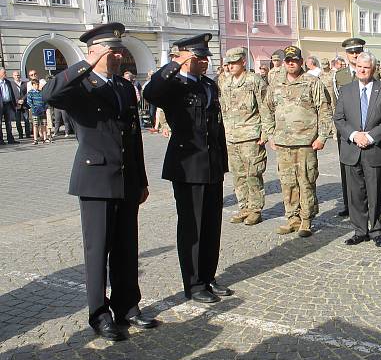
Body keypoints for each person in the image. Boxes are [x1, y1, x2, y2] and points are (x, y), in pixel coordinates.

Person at [42, 22, 155, 341]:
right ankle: (99, 314)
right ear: (94, 52)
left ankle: (128, 307)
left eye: (120, 50)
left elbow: (134, 138)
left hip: (126, 180)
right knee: (98, 251)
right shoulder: (81, 84)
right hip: (95, 179)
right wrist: (84, 63)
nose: (118, 55)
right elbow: (49, 94)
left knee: (126, 247)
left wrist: (141, 180)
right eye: (111, 50)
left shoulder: (123, 86)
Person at [144, 33, 232, 303]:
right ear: (184, 58)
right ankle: (193, 283)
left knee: (211, 225)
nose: (204, 62)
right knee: (192, 226)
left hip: (212, 164)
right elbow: (150, 92)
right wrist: (175, 64)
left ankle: (208, 275)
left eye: (205, 58)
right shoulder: (173, 85)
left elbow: (215, 127)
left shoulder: (208, 85)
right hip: (187, 165)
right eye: (198, 57)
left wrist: (222, 163)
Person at [264, 45, 333, 237]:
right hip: (283, 144)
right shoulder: (276, 85)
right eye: (288, 60)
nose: (291, 63)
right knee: (287, 183)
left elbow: (324, 110)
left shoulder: (312, 82)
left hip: (306, 143)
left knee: (306, 182)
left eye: (294, 60)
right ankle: (292, 218)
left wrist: (322, 136)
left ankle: (306, 219)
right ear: (284, 63)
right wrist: (270, 134)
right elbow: (267, 110)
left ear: (301, 62)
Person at [334, 51, 381, 247]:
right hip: (352, 148)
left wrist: (369, 136)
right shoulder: (346, 90)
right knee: (355, 193)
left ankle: (377, 230)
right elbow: (339, 118)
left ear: (373, 69)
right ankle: (360, 230)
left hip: (375, 148)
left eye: (366, 67)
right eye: (359, 66)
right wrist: (354, 135)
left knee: (374, 191)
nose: (362, 70)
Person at [219, 47, 269, 226]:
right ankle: (244, 207)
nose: (230, 66)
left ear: (243, 62)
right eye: (228, 63)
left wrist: (266, 132)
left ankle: (255, 209)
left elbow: (265, 106)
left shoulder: (254, 80)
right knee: (238, 175)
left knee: (253, 174)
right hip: (232, 137)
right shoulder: (225, 83)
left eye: (234, 62)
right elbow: (223, 110)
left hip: (251, 135)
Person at [333, 37, 367, 217]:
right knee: (346, 169)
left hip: (368, 129)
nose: (354, 55)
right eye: (351, 52)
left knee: (367, 169)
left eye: (357, 51)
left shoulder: (373, 73)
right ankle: (349, 204)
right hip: (347, 130)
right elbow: (335, 103)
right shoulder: (340, 75)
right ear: (346, 55)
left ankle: (367, 204)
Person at [26, 79, 48, 144]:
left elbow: (45, 101)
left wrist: (45, 108)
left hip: (42, 111)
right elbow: (29, 102)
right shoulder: (30, 93)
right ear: (32, 85)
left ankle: (45, 138)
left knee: (44, 125)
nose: (37, 86)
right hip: (35, 112)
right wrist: (34, 108)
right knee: (35, 125)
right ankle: (35, 139)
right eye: (35, 84)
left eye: (37, 84)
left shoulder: (41, 92)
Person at [10, 70, 30, 139]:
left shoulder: (24, 83)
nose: (17, 76)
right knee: (18, 121)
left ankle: (28, 134)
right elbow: (11, 95)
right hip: (16, 105)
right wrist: (17, 101)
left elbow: (28, 92)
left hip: (24, 105)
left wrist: (23, 99)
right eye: (15, 75)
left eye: (18, 75)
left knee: (26, 120)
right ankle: (20, 135)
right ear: (13, 76)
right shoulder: (11, 84)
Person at [0, 67, 17, 144]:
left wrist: (14, 104)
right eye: (4, 73)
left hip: (8, 104)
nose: (5, 74)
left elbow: (11, 94)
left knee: (8, 123)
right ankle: (1, 140)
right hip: (0, 105)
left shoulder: (8, 82)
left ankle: (10, 139)